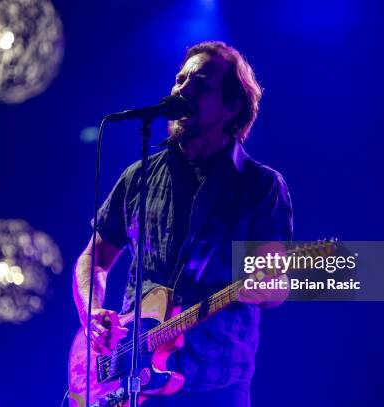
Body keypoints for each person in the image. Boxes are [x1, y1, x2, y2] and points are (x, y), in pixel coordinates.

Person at [72, 41, 293, 406]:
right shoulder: (138, 176)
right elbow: (93, 258)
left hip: (216, 385)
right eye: (180, 79)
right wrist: (91, 311)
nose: (182, 89)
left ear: (232, 107)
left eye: (201, 83)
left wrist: (268, 288)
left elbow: (274, 284)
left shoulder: (260, 187)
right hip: (130, 379)